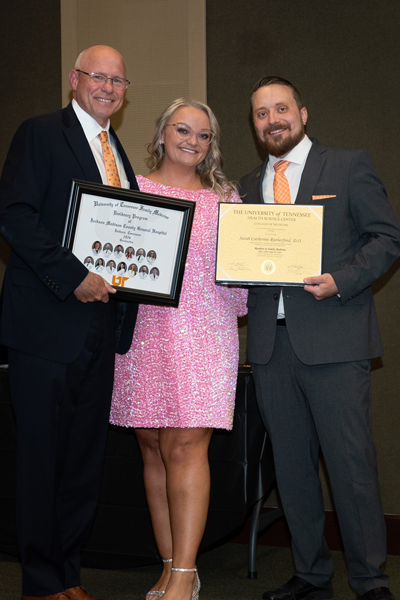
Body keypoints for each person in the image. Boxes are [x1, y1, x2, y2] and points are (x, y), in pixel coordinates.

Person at [239, 76, 400, 600]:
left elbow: (386, 238)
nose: (272, 120)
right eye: (262, 114)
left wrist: (342, 281)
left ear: (303, 114)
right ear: (255, 124)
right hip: (269, 346)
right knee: (291, 468)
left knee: (351, 465)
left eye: (280, 108)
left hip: (334, 340)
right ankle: (310, 576)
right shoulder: (243, 187)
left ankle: (371, 581)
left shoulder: (348, 164)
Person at [0, 45, 139, 600]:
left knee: (84, 458)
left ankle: (69, 575)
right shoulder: (40, 133)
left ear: (126, 89)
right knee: (41, 456)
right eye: (97, 76)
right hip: (46, 324)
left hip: (101, 328)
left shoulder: (117, 151)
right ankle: (40, 581)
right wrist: (72, 274)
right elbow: (14, 214)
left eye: (117, 79)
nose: (107, 86)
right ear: (74, 80)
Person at [110, 99, 248, 600]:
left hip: (205, 334)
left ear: (212, 145)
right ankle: (171, 568)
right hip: (143, 335)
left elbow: (242, 288)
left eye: (204, 135)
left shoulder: (227, 200)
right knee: (152, 448)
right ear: (162, 133)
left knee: (186, 446)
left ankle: (186, 577)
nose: (193, 140)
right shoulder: (132, 190)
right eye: (183, 129)